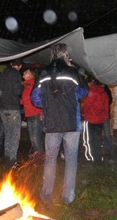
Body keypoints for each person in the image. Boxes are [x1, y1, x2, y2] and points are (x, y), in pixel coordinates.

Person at [31, 43, 88, 206]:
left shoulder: (43, 73)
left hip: (52, 124)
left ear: (52, 55)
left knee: (50, 159)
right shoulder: (72, 72)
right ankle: (68, 196)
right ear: (66, 55)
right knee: (71, 160)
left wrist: (49, 104)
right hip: (71, 123)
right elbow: (83, 92)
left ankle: (46, 194)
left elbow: (34, 98)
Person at [0, 58, 23, 169]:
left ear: (11, 64)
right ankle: (12, 161)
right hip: (13, 109)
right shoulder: (16, 74)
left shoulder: (3, 74)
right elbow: (17, 91)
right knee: (15, 135)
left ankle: (8, 159)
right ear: (20, 66)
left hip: (3, 109)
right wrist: (22, 87)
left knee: (7, 134)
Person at [82, 76, 110, 162]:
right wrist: (104, 117)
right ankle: (98, 157)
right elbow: (106, 107)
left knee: (88, 140)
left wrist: (83, 114)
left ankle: (90, 157)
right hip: (100, 120)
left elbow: (86, 106)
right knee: (98, 139)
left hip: (90, 119)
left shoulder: (90, 92)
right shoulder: (104, 93)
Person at [20, 67, 44, 160]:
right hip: (29, 114)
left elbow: (41, 98)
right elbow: (25, 100)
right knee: (32, 136)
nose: (23, 73)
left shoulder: (34, 84)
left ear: (31, 75)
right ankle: (36, 153)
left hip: (36, 113)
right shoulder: (25, 85)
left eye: (26, 72)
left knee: (36, 136)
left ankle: (39, 157)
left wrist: (42, 112)